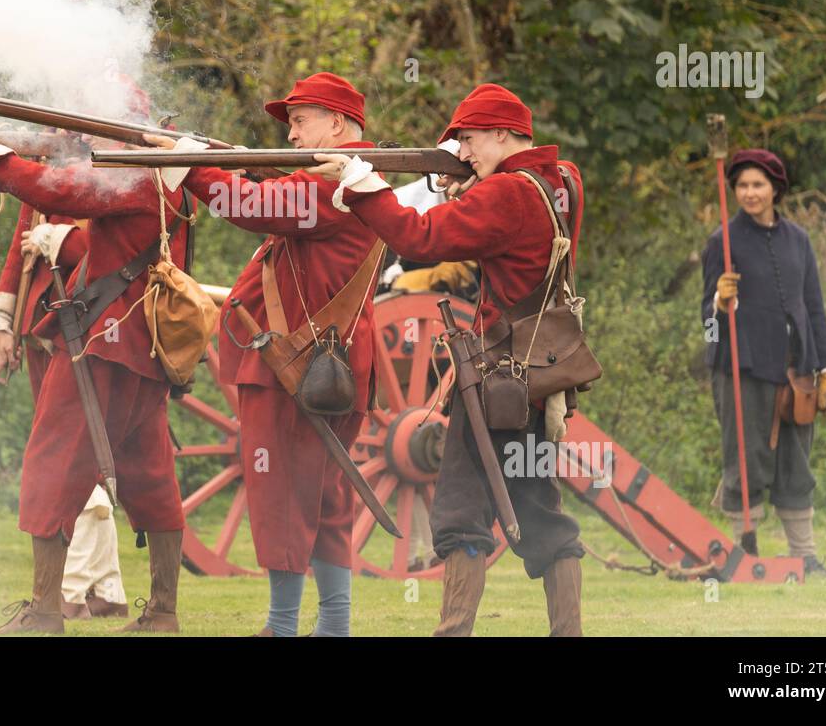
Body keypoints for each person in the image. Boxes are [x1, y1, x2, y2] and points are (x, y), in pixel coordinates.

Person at [313, 82, 587, 636]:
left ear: (504, 134)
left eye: (468, 138)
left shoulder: (506, 192)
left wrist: (363, 186)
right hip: (538, 372)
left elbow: (419, 238)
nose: (462, 150)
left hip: (495, 379)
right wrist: (470, 184)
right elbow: (506, 233)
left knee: (460, 510)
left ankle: (453, 632)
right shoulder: (561, 182)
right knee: (539, 509)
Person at [148, 72, 380, 637]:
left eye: (301, 121)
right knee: (322, 494)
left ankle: (282, 627)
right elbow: (272, 194)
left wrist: (194, 168)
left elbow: (254, 206)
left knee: (281, 494)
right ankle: (333, 626)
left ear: (340, 124)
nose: (293, 134)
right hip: (320, 366)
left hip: (297, 370)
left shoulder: (335, 186)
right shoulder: (348, 179)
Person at [0, 94, 192, 635]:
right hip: (135, 347)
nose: (87, 142)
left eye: (100, 130)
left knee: (50, 465)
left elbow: (60, 188)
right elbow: (54, 189)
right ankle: (163, 613)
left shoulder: (135, 176)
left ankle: (44, 614)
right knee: (150, 473)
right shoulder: (162, 176)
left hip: (100, 345)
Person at [0, 205, 127, 617]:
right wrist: (4, 324)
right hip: (42, 327)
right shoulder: (45, 167)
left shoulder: (102, 166)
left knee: (73, 461)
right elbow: (18, 254)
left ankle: (74, 587)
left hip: (89, 325)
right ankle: (108, 588)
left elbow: (107, 251)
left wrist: (56, 240)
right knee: (76, 459)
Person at [701, 148, 826, 575]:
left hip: (797, 368)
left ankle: (805, 554)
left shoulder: (799, 239)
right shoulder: (721, 242)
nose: (749, 193)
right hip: (742, 367)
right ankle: (745, 547)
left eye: (758, 184)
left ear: (775, 189)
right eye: (742, 185)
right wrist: (720, 304)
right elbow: (706, 322)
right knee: (745, 457)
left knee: (796, 461)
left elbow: (813, 306)